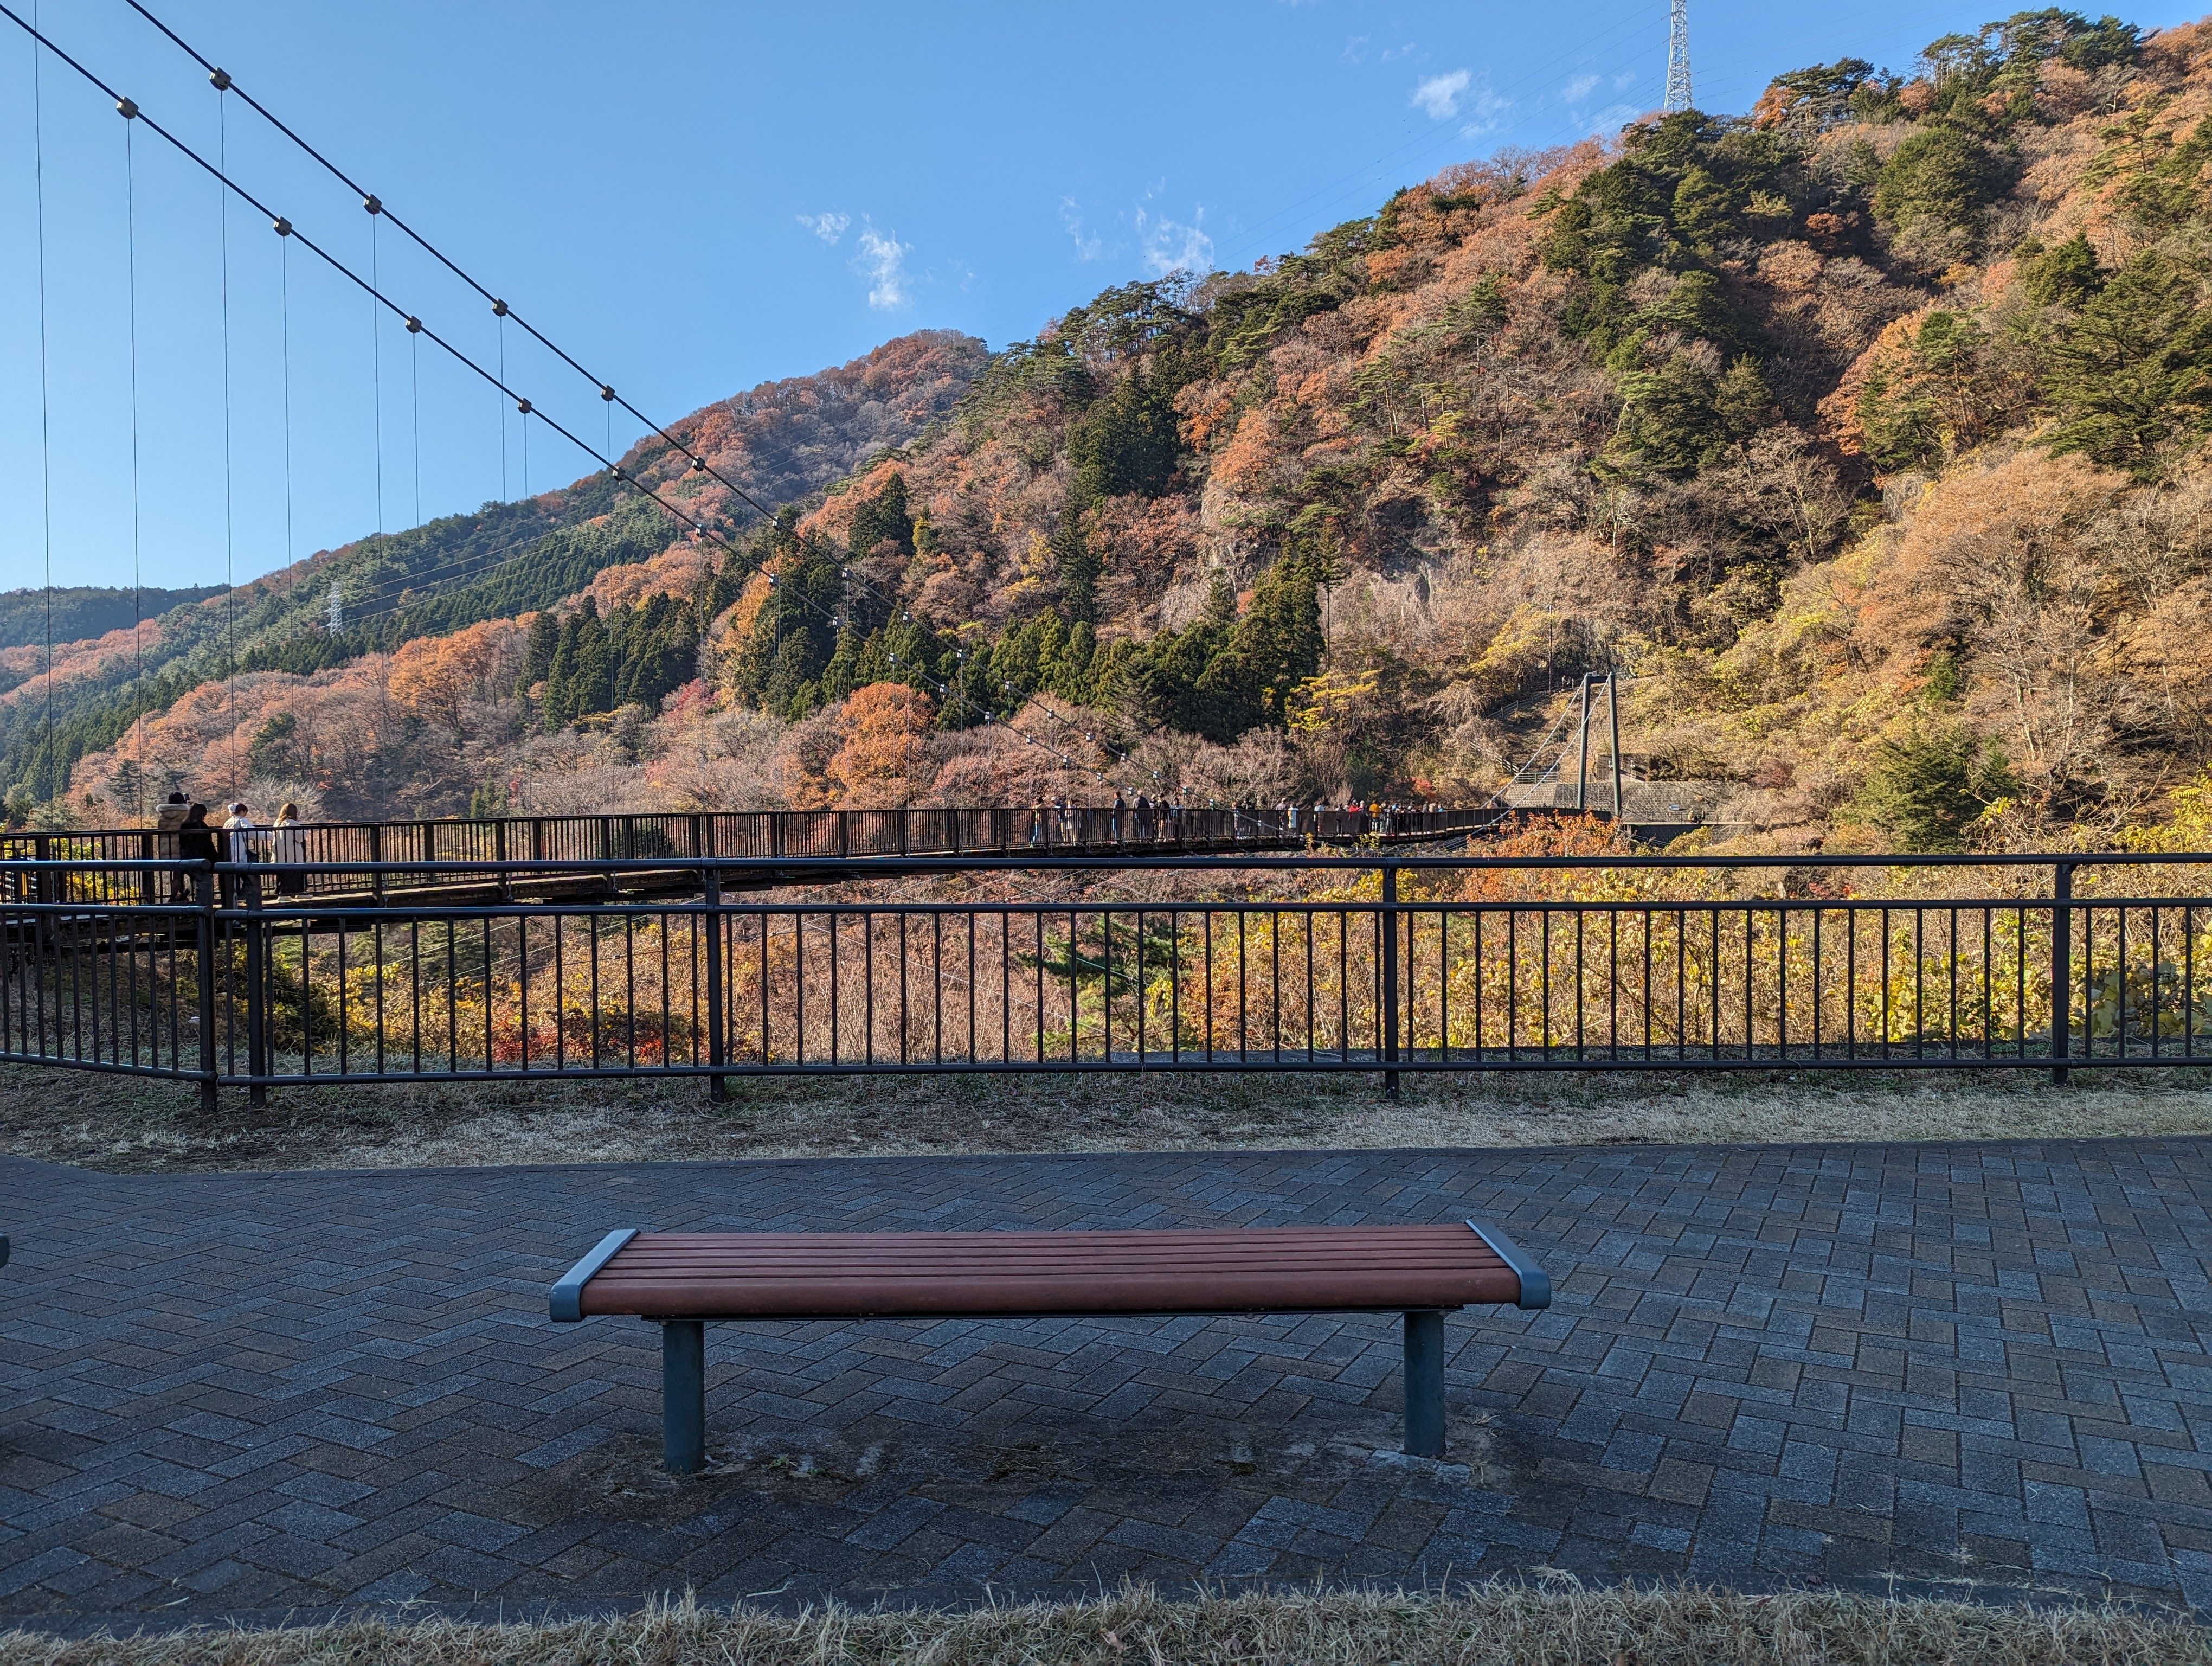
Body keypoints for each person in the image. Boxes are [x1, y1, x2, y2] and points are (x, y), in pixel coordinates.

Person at [177, 803, 223, 899]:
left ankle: (186, 894)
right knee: (204, 876)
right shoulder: (201, 826)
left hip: (187, 857)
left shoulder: (184, 825)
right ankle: (203, 898)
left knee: (196, 876)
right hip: (203, 857)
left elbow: (182, 843)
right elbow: (207, 843)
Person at [153, 790, 191, 901]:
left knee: (177, 874)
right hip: (183, 847)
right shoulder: (186, 813)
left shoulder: (164, 814)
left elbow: (161, 829)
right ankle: (180, 896)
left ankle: (176, 897)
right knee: (195, 873)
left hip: (168, 848)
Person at [268, 801, 307, 898]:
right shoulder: (293, 823)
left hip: (280, 854)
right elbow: (300, 837)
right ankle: (298, 893)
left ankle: (283, 894)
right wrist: (305, 831)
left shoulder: (277, 823)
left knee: (283, 876)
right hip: (293, 854)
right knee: (296, 874)